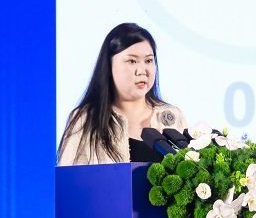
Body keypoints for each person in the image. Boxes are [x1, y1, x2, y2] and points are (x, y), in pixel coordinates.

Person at [57, 23, 187, 165]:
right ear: (109, 66)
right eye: (132, 61)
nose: (142, 71)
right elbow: (68, 176)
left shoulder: (172, 116)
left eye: (149, 60)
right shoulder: (85, 119)